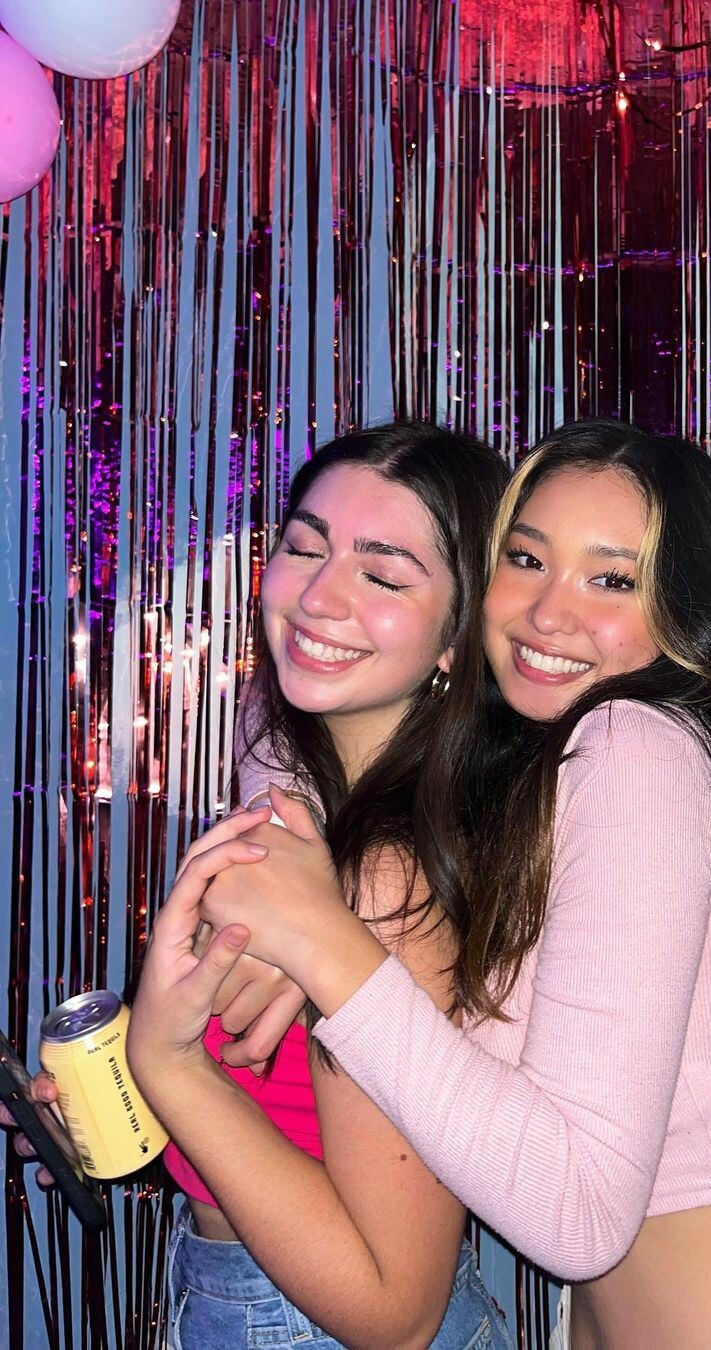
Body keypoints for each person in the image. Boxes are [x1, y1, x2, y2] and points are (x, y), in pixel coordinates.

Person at [178, 418, 711, 1349]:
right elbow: (283, 719)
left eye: (612, 579)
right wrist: (284, 839)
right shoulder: (524, 760)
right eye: (526, 560)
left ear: (684, 612)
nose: (549, 614)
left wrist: (321, 942)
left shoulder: (639, 746)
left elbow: (579, 1219)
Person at [124, 422, 516, 1350]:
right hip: (241, 1292)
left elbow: (395, 1309)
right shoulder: (306, 810)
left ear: (457, 638)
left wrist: (166, 1064)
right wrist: (126, 1095)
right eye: (305, 547)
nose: (318, 596)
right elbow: (272, 1111)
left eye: (383, 576)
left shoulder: (387, 879)